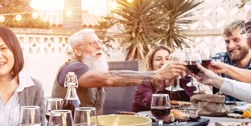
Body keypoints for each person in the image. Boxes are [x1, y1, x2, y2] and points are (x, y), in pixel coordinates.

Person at [51, 29, 186, 114]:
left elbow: (98, 114)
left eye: (99, 42)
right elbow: (110, 78)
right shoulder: (72, 69)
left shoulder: (93, 72)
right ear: (78, 50)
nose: (99, 47)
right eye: (93, 43)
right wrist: (157, 74)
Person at [209, 20, 251, 101]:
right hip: (227, 112)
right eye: (227, 41)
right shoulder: (220, 59)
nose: (231, 46)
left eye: (236, 40)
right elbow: (206, 82)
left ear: (249, 40)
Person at [131, 45, 195, 112]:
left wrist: (185, 77)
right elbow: (156, 105)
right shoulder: (144, 83)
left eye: (167, 59)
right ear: (151, 64)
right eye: (158, 59)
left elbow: (194, 101)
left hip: (176, 121)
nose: (163, 63)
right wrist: (166, 83)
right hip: (144, 120)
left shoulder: (177, 83)